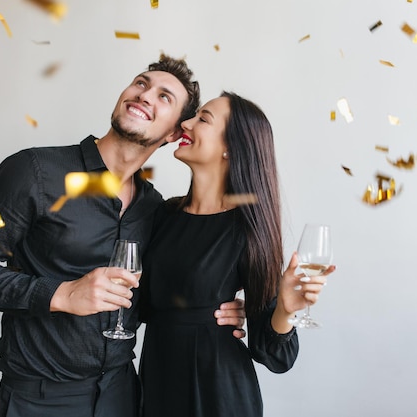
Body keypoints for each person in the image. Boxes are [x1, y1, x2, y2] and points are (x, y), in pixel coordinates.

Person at [0, 55, 246, 417]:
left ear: (174, 134)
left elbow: (147, 300)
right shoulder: (35, 171)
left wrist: (213, 310)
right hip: (39, 399)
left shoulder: (155, 209)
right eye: (141, 83)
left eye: (165, 97)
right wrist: (61, 294)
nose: (145, 95)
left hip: (122, 395)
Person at [138, 92, 337, 416]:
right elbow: (141, 306)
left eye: (202, 119)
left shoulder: (248, 228)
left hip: (217, 393)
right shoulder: (163, 214)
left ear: (232, 146)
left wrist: (285, 310)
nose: (185, 122)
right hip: (157, 384)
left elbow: (274, 357)